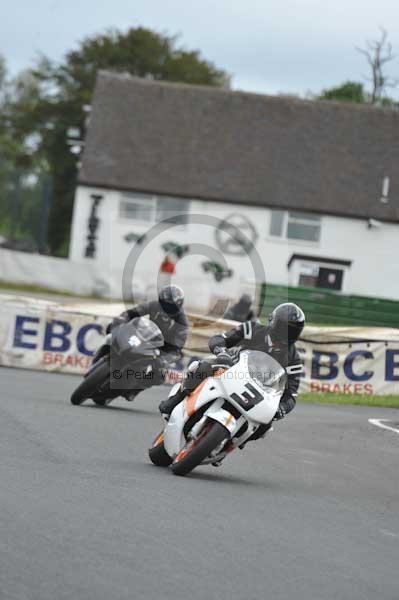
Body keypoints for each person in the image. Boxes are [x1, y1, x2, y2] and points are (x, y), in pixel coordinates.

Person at [159, 303, 305, 440]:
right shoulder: (252, 329)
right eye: (284, 327)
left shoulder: (293, 359)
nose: (287, 332)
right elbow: (220, 339)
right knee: (202, 367)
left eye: (293, 330)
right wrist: (221, 351)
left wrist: (282, 408)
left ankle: (229, 443)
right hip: (231, 370)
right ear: (273, 322)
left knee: (265, 426)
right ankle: (176, 399)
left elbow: (291, 395)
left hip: (259, 391)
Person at [94, 285, 189, 399]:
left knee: (159, 375)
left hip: (160, 349)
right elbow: (132, 313)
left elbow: (177, 347)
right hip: (142, 335)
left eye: (170, 306)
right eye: (164, 303)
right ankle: (98, 358)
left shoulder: (182, 322)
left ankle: (135, 390)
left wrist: (164, 359)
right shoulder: (154, 305)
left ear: (178, 306)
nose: (165, 308)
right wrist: (121, 320)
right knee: (112, 337)